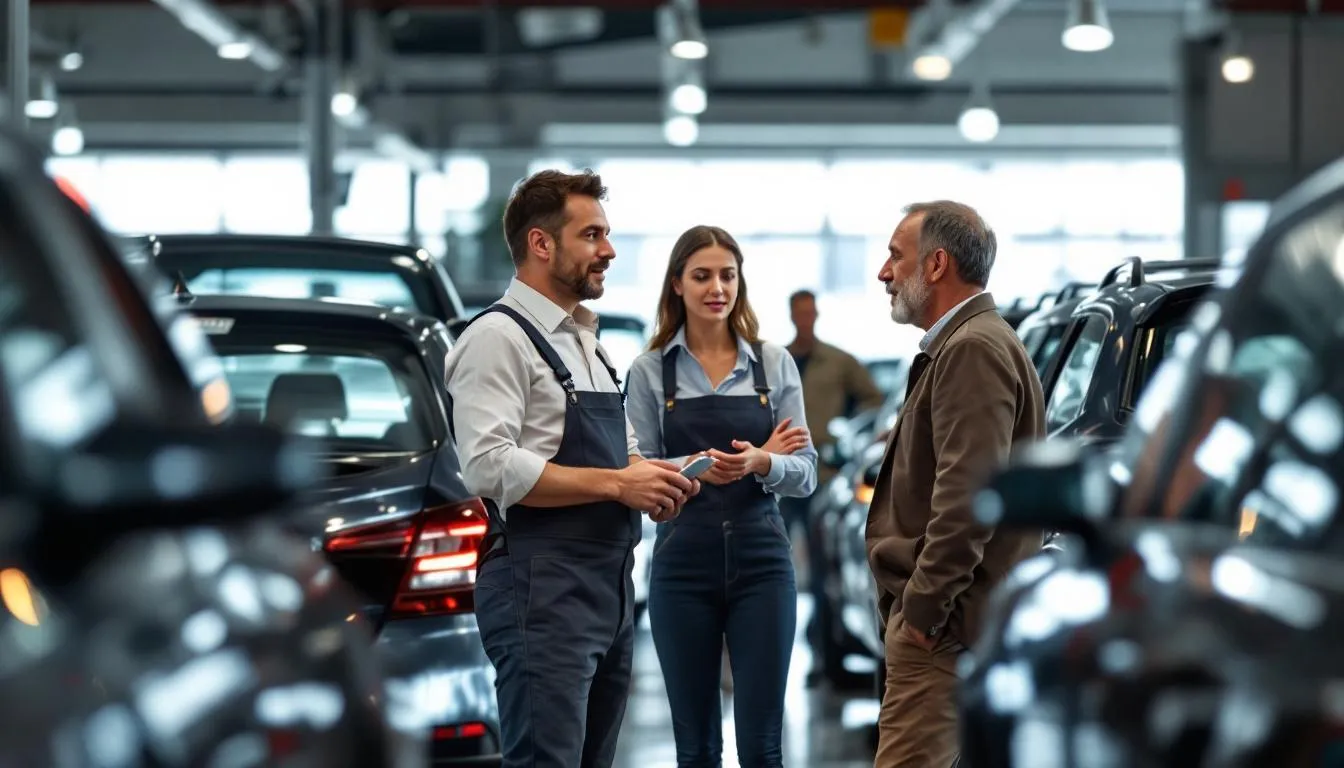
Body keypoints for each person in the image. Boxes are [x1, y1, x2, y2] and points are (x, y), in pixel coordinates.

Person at [445, 169, 700, 768]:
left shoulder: (587, 344)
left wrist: (666, 476)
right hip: (541, 586)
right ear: (541, 243)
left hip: (608, 588)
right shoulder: (497, 338)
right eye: (591, 235)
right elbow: (488, 464)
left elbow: (623, 456)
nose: (608, 250)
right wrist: (618, 484)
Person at [624, 225, 818, 767]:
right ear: (677, 284)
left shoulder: (772, 364)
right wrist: (696, 466)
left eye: (728, 276)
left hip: (763, 565)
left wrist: (762, 461)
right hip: (682, 568)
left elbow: (806, 472)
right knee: (697, 749)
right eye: (702, 276)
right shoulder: (650, 372)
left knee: (763, 747)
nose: (717, 288)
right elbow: (635, 472)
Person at [865, 201, 1045, 767]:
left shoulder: (971, 349)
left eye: (896, 256)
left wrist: (923, 611)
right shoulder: (970, 342)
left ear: (936, 264)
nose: (884, 273)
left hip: (945, 630)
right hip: (956, 622)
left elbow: (967, 499)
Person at [782, 288, 885, 687]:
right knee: (775, 570)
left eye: (810, 312)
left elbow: (873, 399)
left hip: (822, 476)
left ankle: (825, 660)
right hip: (780, 478)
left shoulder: (839, 362)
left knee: (823, 573)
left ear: (816, 314)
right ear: (792, 315)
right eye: (800, 312)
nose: (805, 318)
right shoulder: (777, 361)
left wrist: (849, 437)